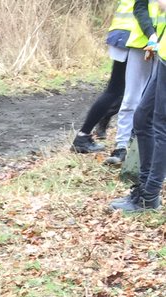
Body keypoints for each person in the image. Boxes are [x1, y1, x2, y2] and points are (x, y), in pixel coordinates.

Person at [111, 0, 166, 210]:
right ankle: (144, 187)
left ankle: (150, 196)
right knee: (142, 118)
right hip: (163, 53)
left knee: (161, 126)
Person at [102, 0, 159, 164]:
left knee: (157, 101)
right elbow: (140, 7)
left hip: (163, 48)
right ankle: (121, 147)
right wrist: (151, 34)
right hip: (142, 42)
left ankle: (148, 151)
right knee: (131, 98)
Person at [72, 2, 131, 153]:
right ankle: (87, 134)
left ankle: (85, 134)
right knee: (122, 90)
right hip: (133, 39)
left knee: (117, 90)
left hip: (121, 35)